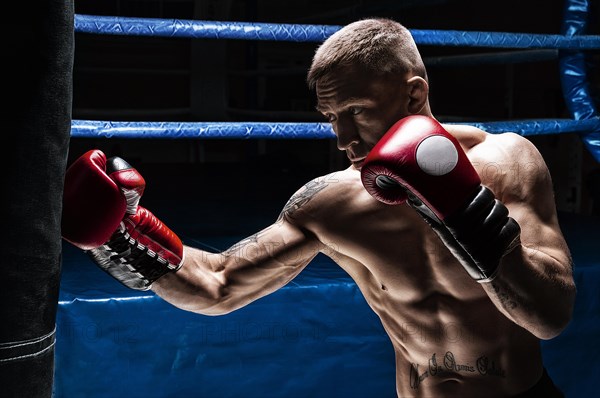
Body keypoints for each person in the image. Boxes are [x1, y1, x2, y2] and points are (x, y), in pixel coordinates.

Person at [62, 18, 575, 397]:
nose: (343, 139)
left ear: (414, 94)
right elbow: (218, 285)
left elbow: (551, 317)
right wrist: (122, 237)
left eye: (355, 112)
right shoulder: (332, 203)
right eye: (331, 117)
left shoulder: (508, 161)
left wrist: (463, 209)